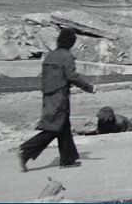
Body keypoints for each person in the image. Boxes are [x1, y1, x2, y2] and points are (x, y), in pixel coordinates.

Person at [18, 28, 95, 171]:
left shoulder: (50, 56)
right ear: (71, 42)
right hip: (60, 97)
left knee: (63, 126)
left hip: (48, 96)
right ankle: (26, 151)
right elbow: (72, 76)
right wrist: (90, 87)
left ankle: (68, 159)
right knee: (54, 128)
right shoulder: (67, 56)